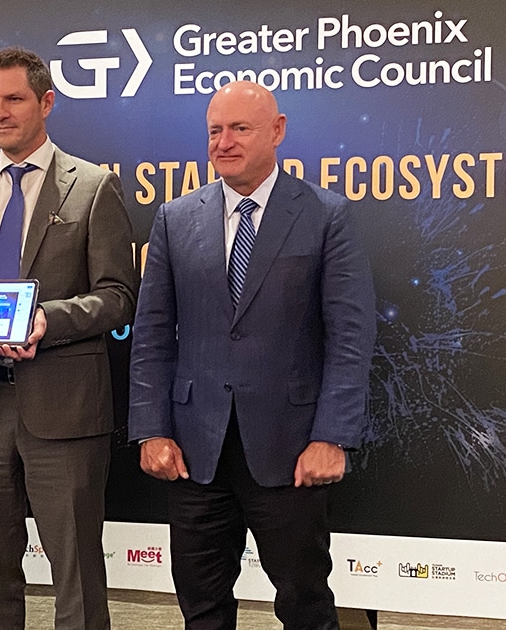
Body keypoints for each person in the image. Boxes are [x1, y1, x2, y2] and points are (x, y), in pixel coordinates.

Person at [128, 81, 376, 630]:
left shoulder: (326, 215)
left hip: (291, 452)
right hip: (194, 453)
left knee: (305, 605)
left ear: (278, 131)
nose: (224, 142)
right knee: (202, 609)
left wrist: (331, 437)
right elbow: (151, 335)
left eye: (240, 128)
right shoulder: (175, 218)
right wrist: (151, 430)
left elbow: (350, 337)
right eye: (215, 130)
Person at [0, 47, 137, 630]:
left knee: (75, 575)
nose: (0, 112)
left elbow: (118, 296)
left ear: (46, 101)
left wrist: (47, 318)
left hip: (63, 409)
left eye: (14, 99)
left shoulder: (94, 187)